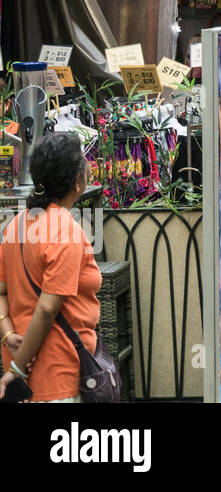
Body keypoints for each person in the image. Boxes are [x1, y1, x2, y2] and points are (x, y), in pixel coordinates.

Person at [0, 133, 103, 402]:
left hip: (24, 369)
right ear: (77, 182)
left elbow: (1, 291)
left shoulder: (16, 224)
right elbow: (47, 309)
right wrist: (17, 370)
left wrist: (7, 331)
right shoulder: (65, 231)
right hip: (59, 373)